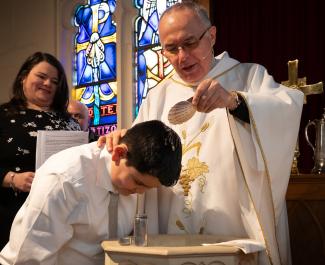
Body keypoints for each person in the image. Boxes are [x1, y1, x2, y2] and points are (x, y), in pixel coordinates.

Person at [100, 2, 304, 265]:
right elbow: (138, 159)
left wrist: (234, 101)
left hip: (233, 231)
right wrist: (122, 139)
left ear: (212, 36)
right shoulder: (157, 97)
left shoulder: (249, 77)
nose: (182, 57)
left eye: (190, 43)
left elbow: (285, 110)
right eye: (171, 49)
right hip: (171, 239)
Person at [0, 120, 182, 265]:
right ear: (118, 154)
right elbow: (30, 256)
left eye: (148, 188)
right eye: (137, 182)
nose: (140, 192)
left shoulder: (133, 172)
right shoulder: (63, 179)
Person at [0, 52, 81, 249]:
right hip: (13, 213)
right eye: (41, 76)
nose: (48, 84)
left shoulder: (69, 121)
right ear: (23, 77)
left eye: (54, 81)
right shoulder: (3, 115)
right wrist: (12, 178)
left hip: (63, 215)